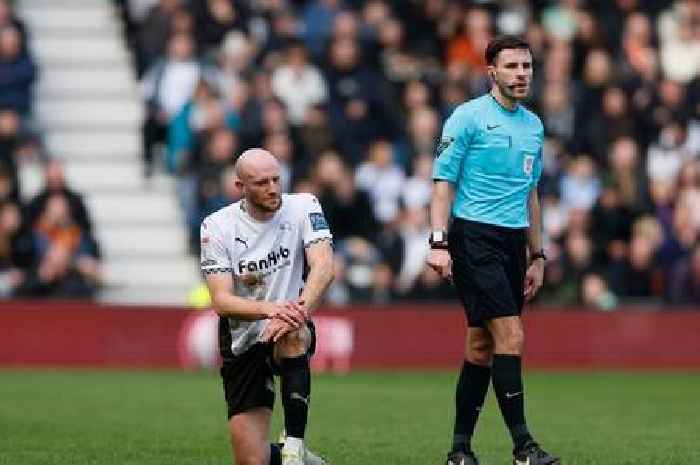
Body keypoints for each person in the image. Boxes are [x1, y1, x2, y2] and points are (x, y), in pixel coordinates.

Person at [427, 36, 560, 465]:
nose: (521, 73)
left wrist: (537, 255)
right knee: (511, 336)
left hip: (512, 242)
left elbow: (531, 193)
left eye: (527, 66)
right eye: (512, 66)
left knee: (481, 348)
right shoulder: (467, 118)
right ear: (492, 73)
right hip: (473, 237)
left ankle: (459, 449)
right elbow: (442, 182)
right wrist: (438, 241)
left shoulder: (534, 125)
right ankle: (524, 448)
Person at [200, 148, 334, 465]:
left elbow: (324, 267)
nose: (273, 188)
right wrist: (270, 310)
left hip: (290, 321)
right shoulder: (216, 226)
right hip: (242, 336)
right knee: (252, 460)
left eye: (276, 179)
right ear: (239, 187)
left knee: (293, 334)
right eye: (261, 182)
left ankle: (294, 447)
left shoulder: (304, 206)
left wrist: (293, 312)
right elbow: (221, 301)